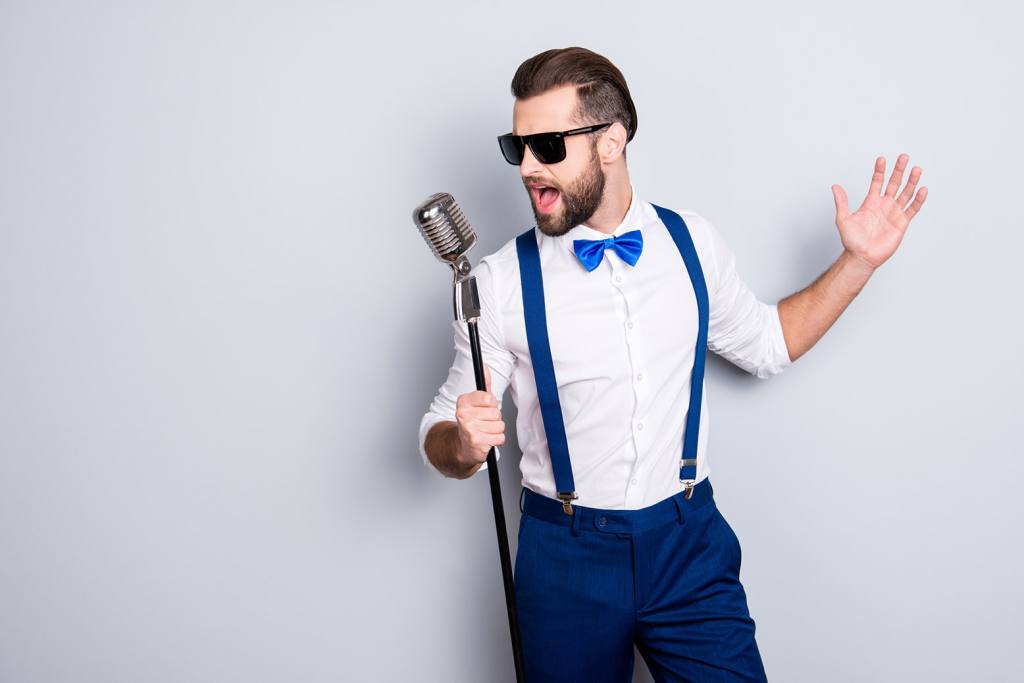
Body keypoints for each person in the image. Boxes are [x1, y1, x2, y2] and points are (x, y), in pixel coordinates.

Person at [418, 46, 927, 682]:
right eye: (514, 146)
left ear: (611, 140)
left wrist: (858, 263)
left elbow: (768, 343)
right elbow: (439, 430)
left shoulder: (691, 243)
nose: (526, 168)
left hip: (689, 545)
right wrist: (462, 443)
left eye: (546, 146)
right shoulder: (497, 284)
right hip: (565, 556)